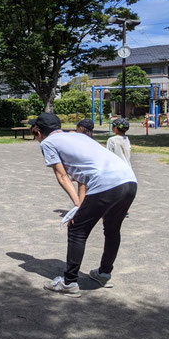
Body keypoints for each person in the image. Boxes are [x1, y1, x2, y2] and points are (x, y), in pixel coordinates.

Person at [31, 113, 137, 298]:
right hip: (129, 180)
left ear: (39, 132)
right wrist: (80, 204)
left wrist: (77, 204)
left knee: (76, 229)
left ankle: (69, 282)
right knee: (112, 229)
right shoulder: (77, 135)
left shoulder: (48, 143)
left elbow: (62, 176)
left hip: (106, 183)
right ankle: (104, 273)